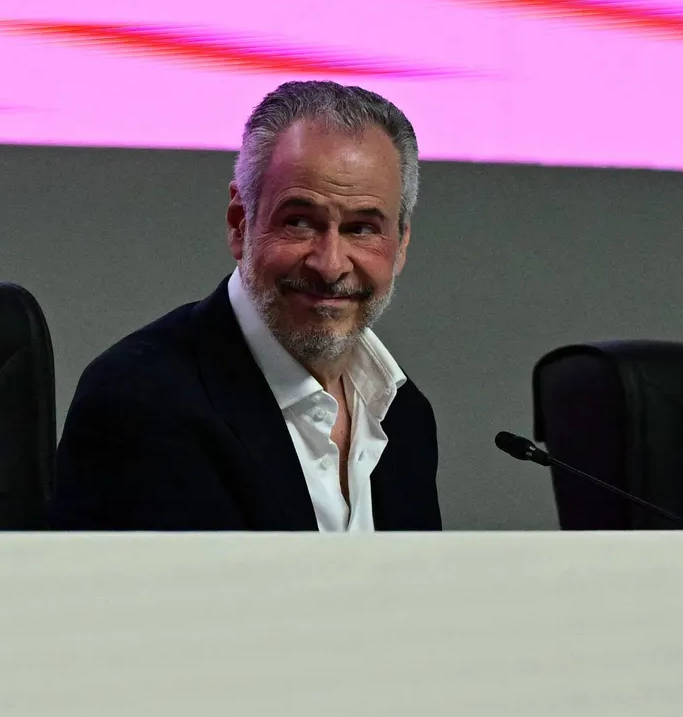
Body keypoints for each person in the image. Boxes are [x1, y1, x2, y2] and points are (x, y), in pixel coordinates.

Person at [50, 80, 441, 531]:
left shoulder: (405, 416)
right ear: (240, 224)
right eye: (299, 221)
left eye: (362, 229)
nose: (330, 264)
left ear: (402, 243)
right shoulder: (138, 403)